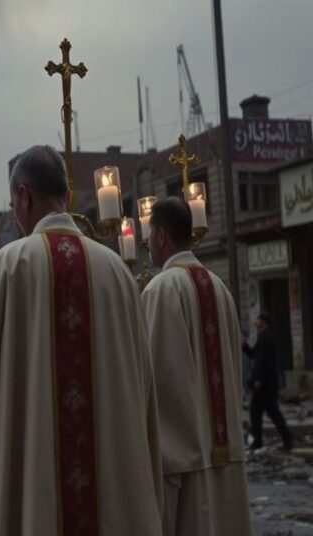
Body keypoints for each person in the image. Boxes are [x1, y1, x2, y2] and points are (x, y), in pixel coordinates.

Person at [0, 146, 162, 534]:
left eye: (13, 205)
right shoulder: (118, 273)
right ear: (68, 196)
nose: (14, 213)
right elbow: (142, 381)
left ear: (24, 197)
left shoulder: (9, 266)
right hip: (110, 485)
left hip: (32, 491)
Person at [143, 196, 251, 535]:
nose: (146, 245)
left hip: (182, 464)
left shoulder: (162, 289)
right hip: (226, 450)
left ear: (161, 235)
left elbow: (159, 379)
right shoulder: (220, 289)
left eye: (148, 236)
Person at [244, 311, 294, 451]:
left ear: (264, 322)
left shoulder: (266, 337)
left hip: (265, 384)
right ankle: (285, 439)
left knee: (259, 413)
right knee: (269, 412)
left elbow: (263, 362)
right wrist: (244, 345)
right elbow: (254, 354)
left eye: (258, 320)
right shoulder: (264, 336)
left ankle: (261, 441)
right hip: (267, 383)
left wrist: (256, 380)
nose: (255, 322)